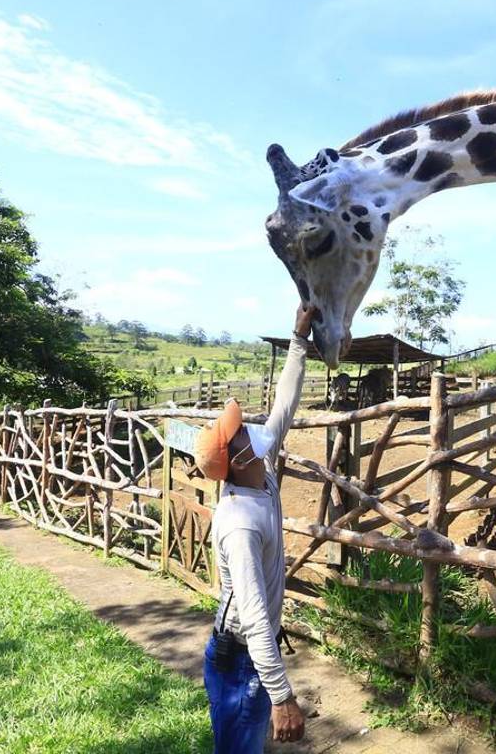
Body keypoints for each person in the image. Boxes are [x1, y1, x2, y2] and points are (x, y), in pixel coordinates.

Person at [194, 303, 313, 752]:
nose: (250, 427)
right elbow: (255, 615)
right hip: (242, 662)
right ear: (238, 457)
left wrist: (299, 339)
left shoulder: (260, 475)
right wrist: (282, 696)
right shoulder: (240, 524)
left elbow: (284, 405)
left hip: (248, 657)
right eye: (241, 431)